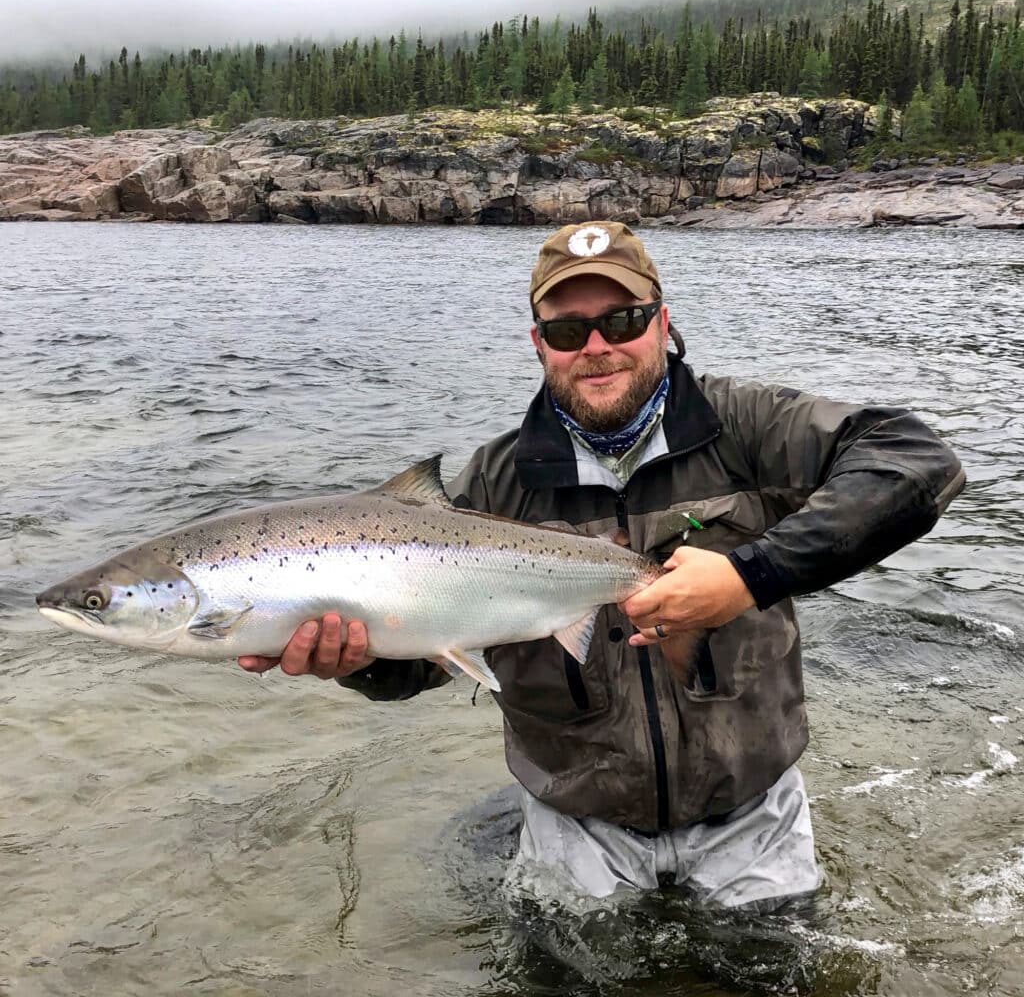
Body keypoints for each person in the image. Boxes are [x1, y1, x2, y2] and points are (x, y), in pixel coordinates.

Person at [239, 221, 965, 911]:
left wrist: (751, 575)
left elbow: (917, 463)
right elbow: (420, 665)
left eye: (621, 321)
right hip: (575, 824)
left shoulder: (748, 429)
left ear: (660, 320)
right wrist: (355, 659)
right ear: (538, 344)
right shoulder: (492, 487)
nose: (596, 346)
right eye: (566, 330)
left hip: (754, 813)